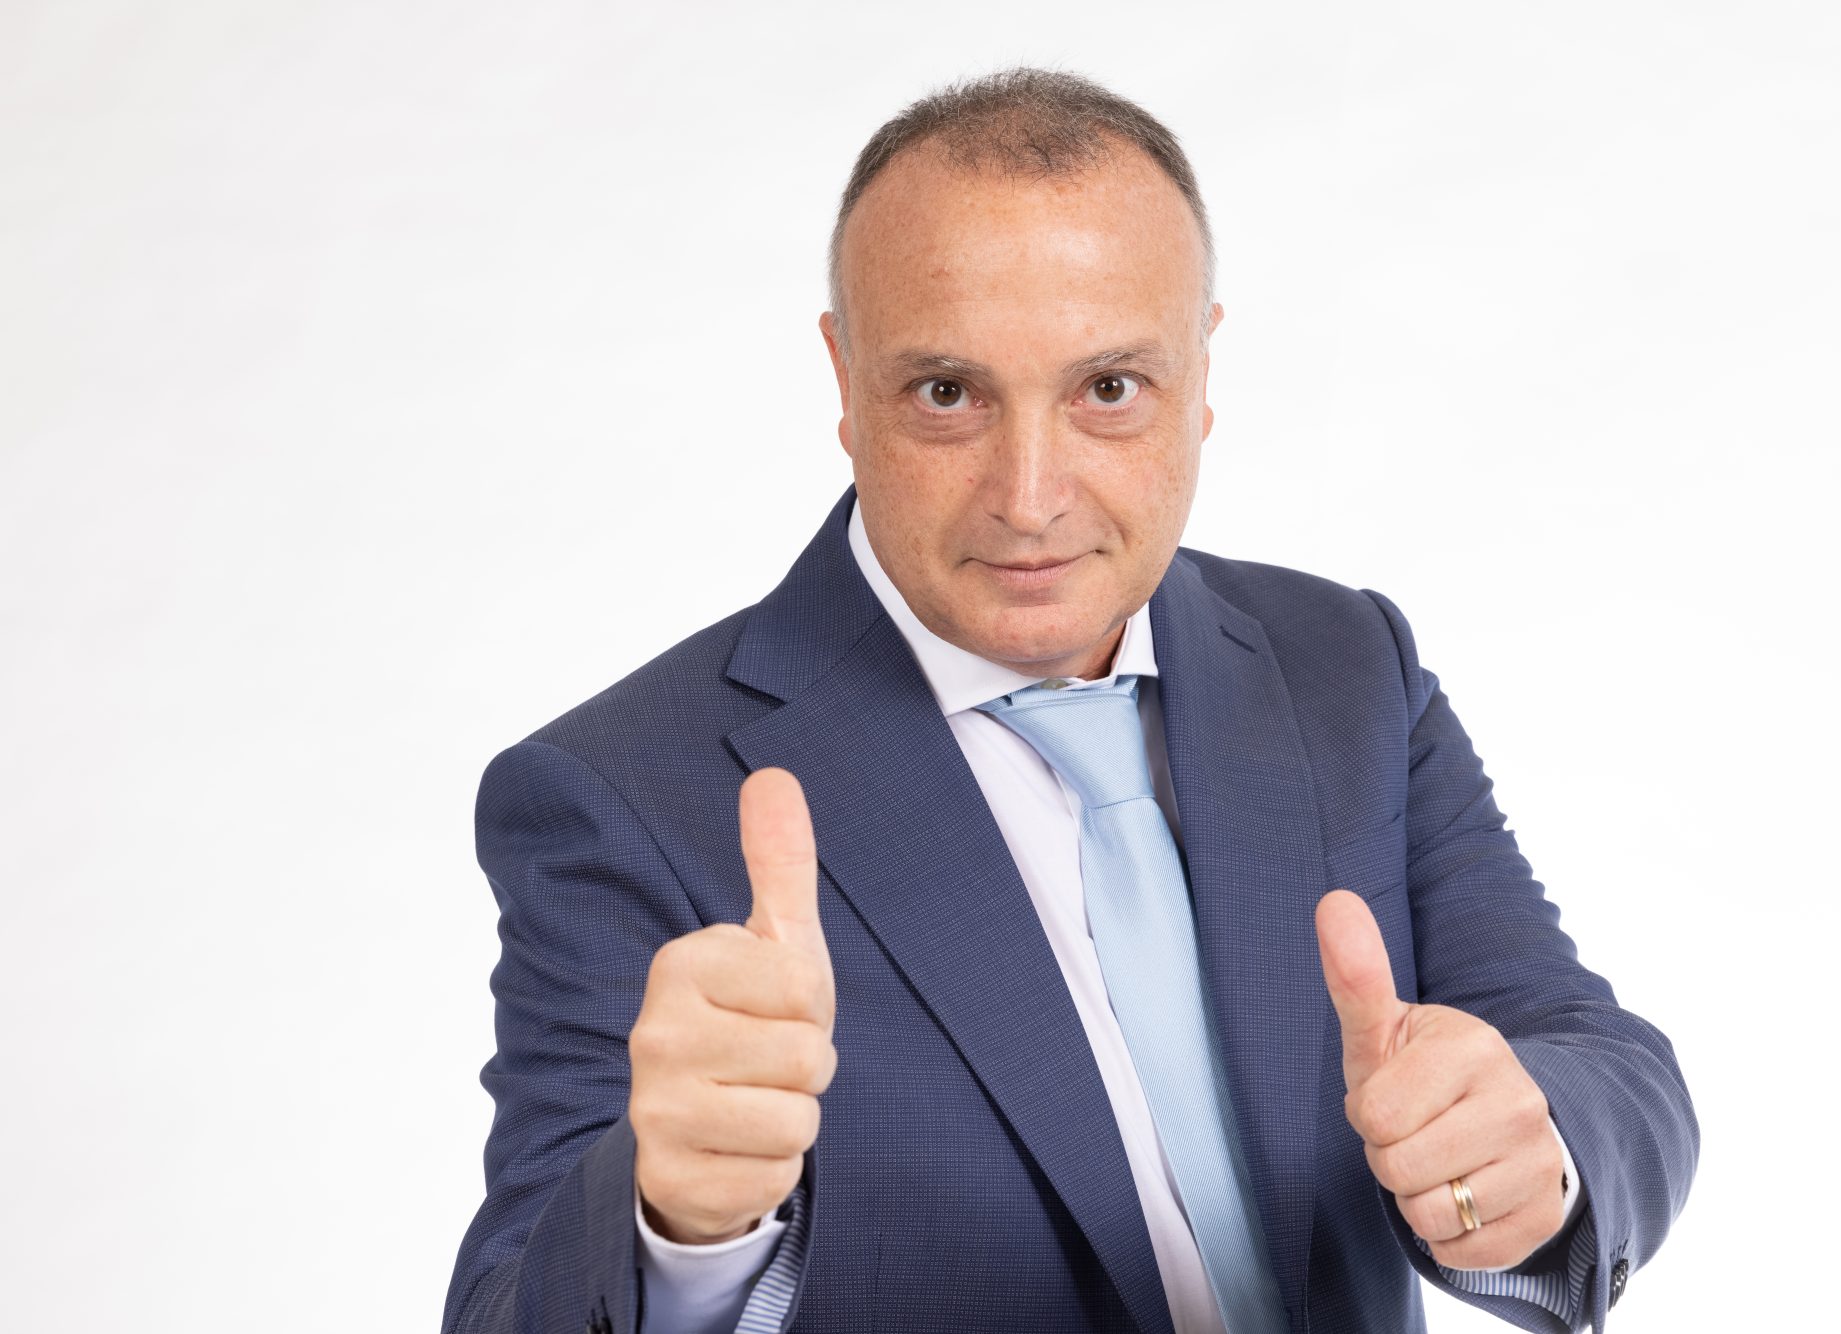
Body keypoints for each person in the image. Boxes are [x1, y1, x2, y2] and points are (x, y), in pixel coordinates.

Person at [442, 67, 1697, 1334]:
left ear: (1199, 372)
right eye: (946, 393)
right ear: (843, 378)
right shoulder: (619, 796)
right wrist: (679, 1227)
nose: (1029, 496)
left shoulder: (1341, 664)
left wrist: (1532, 1146)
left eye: (1107, 389)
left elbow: (1593, 1055)